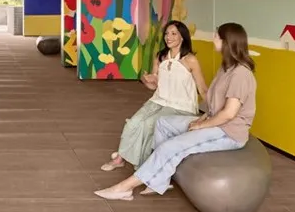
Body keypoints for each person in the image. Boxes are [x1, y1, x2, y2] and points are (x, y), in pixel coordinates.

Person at [94, 22, 257, 201]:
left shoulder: (240, 74)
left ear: (227, 42)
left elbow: (229, 113)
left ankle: (125, 188)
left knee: (170, 146)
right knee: (162, 123)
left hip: (228, 132)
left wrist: (201, 125)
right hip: (211, 120)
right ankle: (159, 181)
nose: (213, 39)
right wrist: (204, 117)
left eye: (217, 36)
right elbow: (216, 105)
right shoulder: (225, 68)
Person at [101, 21, 207, 172]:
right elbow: (154, 86)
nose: (168, 37)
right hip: (158, 101)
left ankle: (142, 167)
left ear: (182, 37)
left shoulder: (190, 60)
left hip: (180, 106)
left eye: (173, 34)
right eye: (167, 34)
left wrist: (214, 110)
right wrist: (147, 80)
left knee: (148, 124)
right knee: (133, 123)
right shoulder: (160, 57)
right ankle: (120, 159)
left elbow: (202, 88)